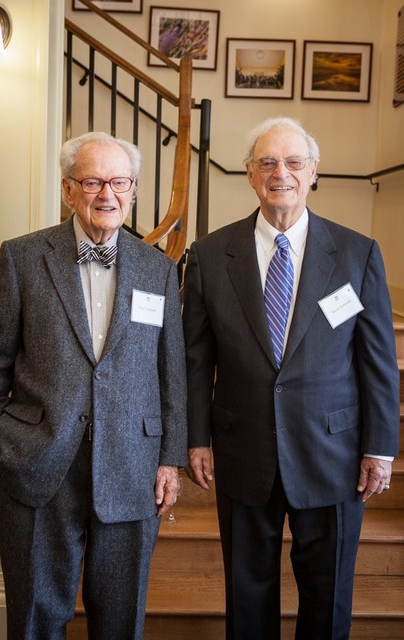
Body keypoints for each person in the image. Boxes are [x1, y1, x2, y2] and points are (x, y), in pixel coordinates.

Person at [182, 117, 400, 640]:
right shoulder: (211, 256)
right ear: (251, 176)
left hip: (334, 454)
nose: (281, 172)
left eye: (293, 162)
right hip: (242, 449)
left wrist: (380, 448)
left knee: (327, 603)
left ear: (313, 172)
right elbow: (194, 358)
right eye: (268, 163)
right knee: (247, 597)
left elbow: (376, 360)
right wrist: (195, 439)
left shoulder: (356, 252)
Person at [0, 131, 187, 639]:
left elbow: (171, 373)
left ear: (133, 189)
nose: (106, 194)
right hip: (38, 466)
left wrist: (170, 459)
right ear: (69, 189)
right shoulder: (21, 258)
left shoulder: (158, 269)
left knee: (119, 623)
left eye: (119, 182)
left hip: (132, 469)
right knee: (35, 620)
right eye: (92, 181)